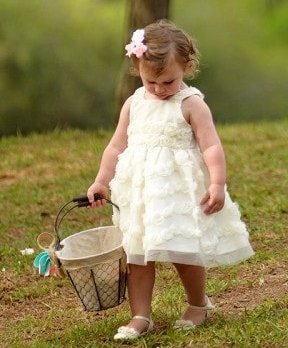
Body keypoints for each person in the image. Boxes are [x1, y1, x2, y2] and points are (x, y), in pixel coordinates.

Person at [87, 20, 254, 340]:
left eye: (168, 81)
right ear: (138, 69)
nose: (160, 89)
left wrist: (217, 183)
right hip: (139, 191)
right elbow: (116, 145)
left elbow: (211, 145)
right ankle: (140, 315)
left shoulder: (191, 103)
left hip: (177, 189)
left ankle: (197, 304)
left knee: (183, 250)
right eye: (152, 82)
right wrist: (101, 180)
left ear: (187, 67)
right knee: (137, 253)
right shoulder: (135, 102)